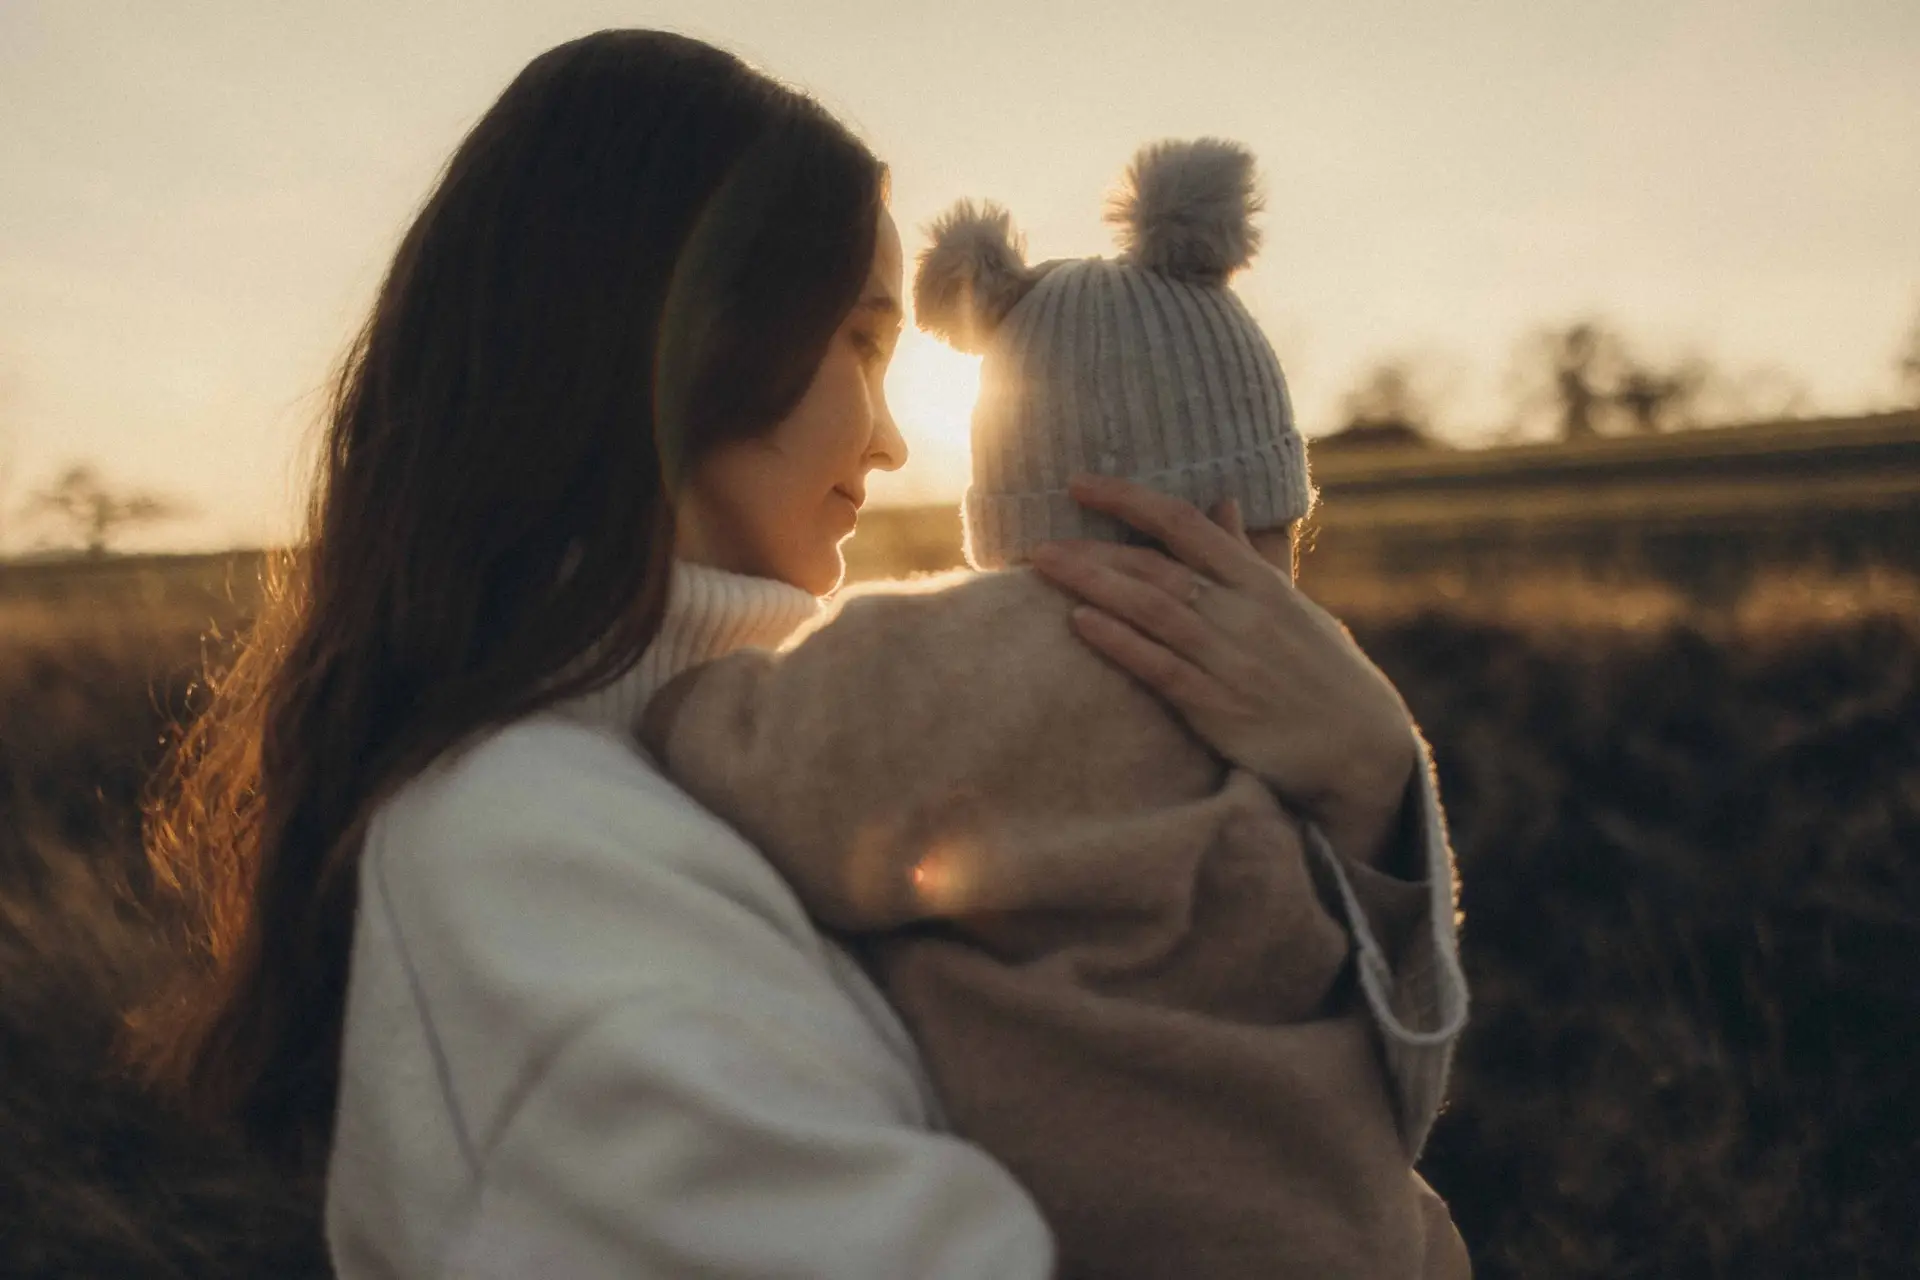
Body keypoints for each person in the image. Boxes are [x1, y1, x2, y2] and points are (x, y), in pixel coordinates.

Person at [132, 31, 1453, 1278]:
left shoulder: (703, 785)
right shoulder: (519, 849)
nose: (889, 443)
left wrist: (1370, 784)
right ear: (685, 341)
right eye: (864, 346)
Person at [640, 139, 1470, 1278]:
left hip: (1079, 1223)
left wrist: (689, 692)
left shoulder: (920, 664)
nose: (1281, 576)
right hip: (1338, 1232)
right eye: (1280, 530)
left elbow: (736, 751)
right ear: (1237, 516)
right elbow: (1401, 1041)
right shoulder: (1296, 692)